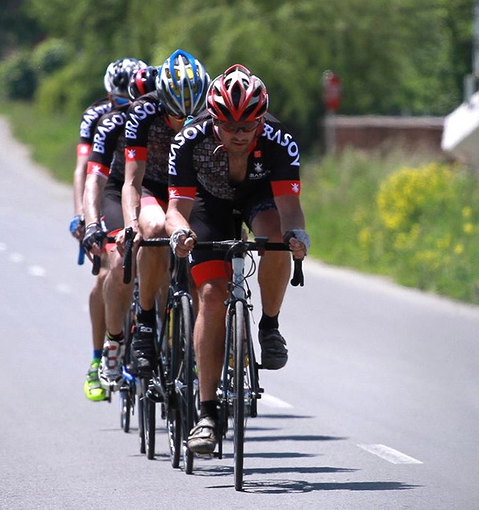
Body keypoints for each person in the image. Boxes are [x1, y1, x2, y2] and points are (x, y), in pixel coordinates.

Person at [164, 64, 310, 455]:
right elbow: (176, 206)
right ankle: (207, 413)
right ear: (214, 119)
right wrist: (179, 232)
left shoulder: (280, 140)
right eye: (229, 127)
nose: (240, 135)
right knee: (211, 295)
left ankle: (269, 325)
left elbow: (289, 207)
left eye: (249, 126)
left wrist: (298, 236)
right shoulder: (190, 140)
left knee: (277, 237)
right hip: (207, 208)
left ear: (262, 118)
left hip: (257, 200)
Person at [121, 50, 211, 375]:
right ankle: (145, 322)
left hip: (194, 192)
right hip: (154, 189)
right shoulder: (144, 112)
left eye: (192, 117)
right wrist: (132, 224)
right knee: (156, 229)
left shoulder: (213, 112)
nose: (183, 125)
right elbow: (131, 180)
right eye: (175, 117)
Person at [70, 57, 146, 401]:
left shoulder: (154, 115)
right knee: (105, 275)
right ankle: (98, 357)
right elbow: (84, 171)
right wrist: (83, 219)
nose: (126, 107)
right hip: (111, 190)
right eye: (119, 100)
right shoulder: (98, 116)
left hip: (147, 188)